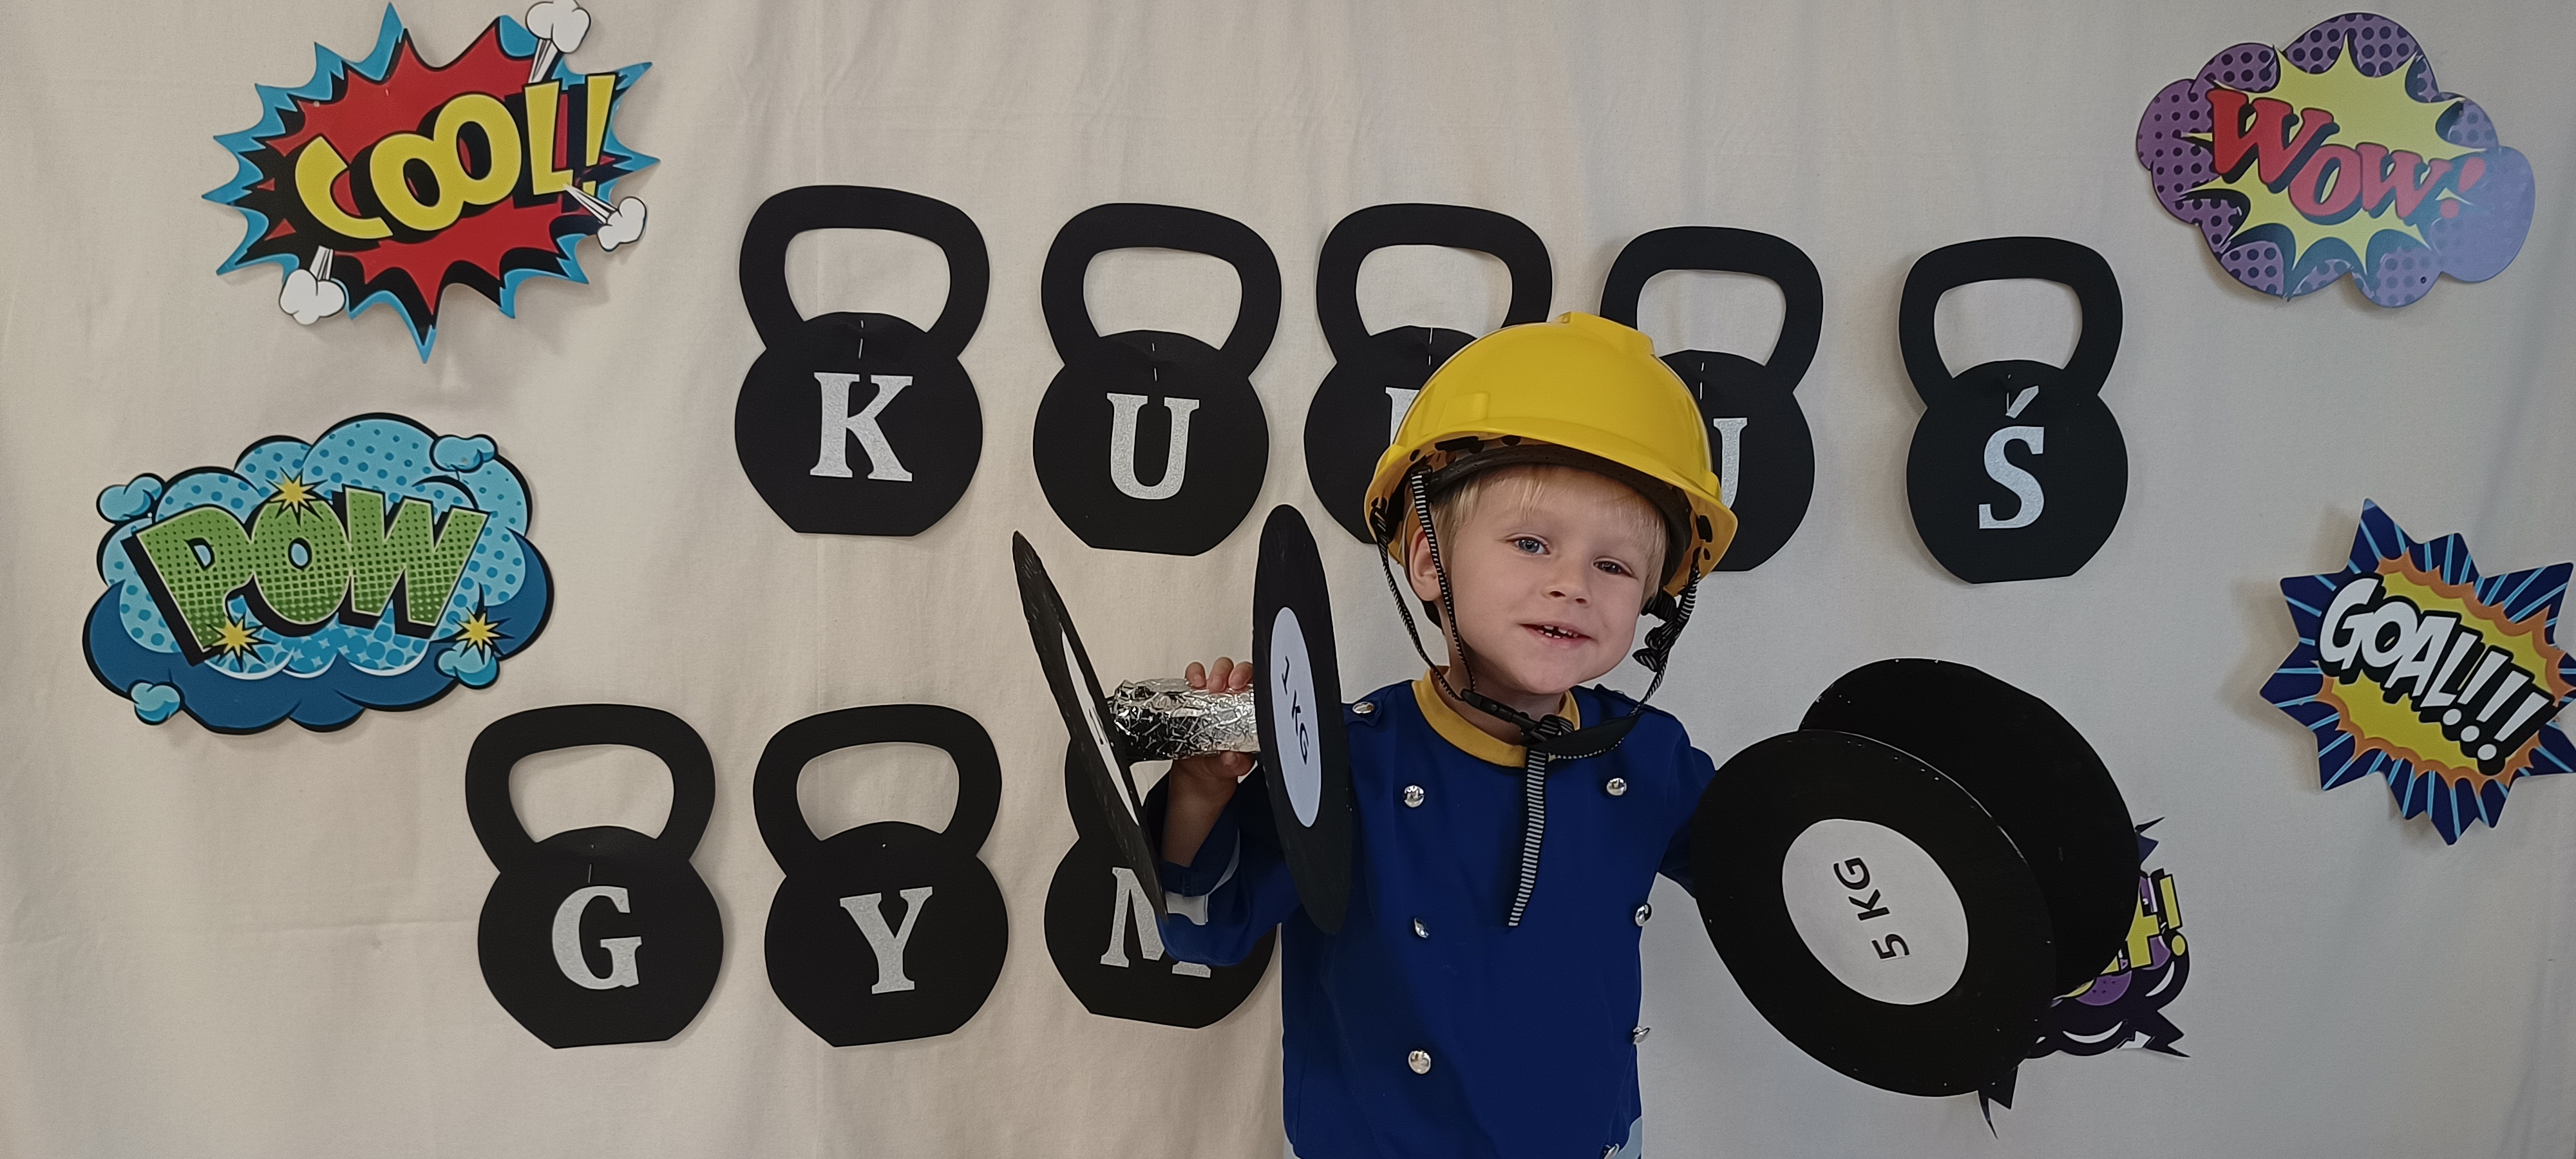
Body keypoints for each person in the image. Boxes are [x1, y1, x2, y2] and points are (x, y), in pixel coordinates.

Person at [1151, 313, 1738, 1159]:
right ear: (1430, 561)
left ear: (1655, 600)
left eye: (1614, 565)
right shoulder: (1345, 759)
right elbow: (1204, 930)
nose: (1573, 584)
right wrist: (1201, 792)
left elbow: (1768, 882)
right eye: (1532, 543)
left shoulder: (1652, 758)